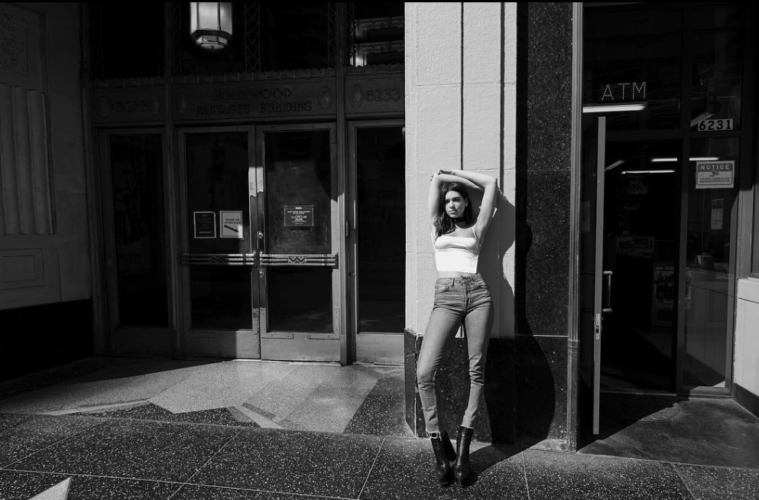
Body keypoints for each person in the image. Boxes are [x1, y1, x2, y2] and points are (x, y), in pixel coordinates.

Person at [417, 168, 498, 487]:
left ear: (466, 203)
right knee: (425, 372)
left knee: (476, 371)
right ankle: (440, 446)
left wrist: (456, 176)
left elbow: (490, 184)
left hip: (478, 296)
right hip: (446, 298)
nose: (451, 204)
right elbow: (436, 180)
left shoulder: (477, 229)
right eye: (448, 201)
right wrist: (446, 176)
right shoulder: (437, 228)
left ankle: (463, 452)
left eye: (457, 200)